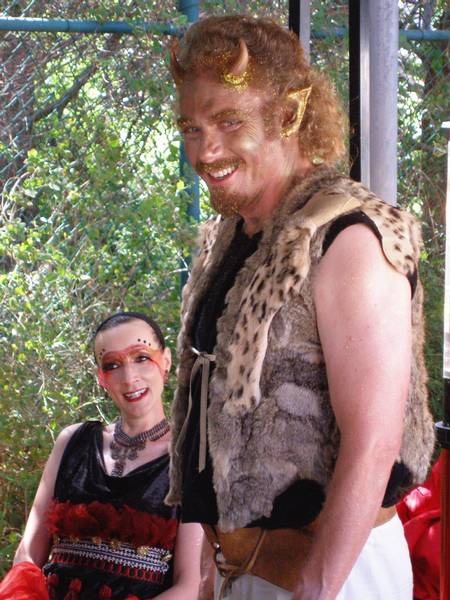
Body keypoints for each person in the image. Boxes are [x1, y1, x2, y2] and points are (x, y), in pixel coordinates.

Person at [164, 14, 436, 600]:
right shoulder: (236, 235)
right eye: (191, 127)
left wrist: (317, 587)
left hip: (335, 572)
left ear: (288, 115)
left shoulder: (349, 235)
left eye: (229, 121)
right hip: (246, 569)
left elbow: (374, 442)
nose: (205, 149)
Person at [3, 311, 202, 600]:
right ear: (101, 377)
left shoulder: (188, 458)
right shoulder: (72, 442)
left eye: (141, 357)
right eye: (113, 365)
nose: (129, 378)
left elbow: (190, 585)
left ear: (166, 361)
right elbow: (27, 557)